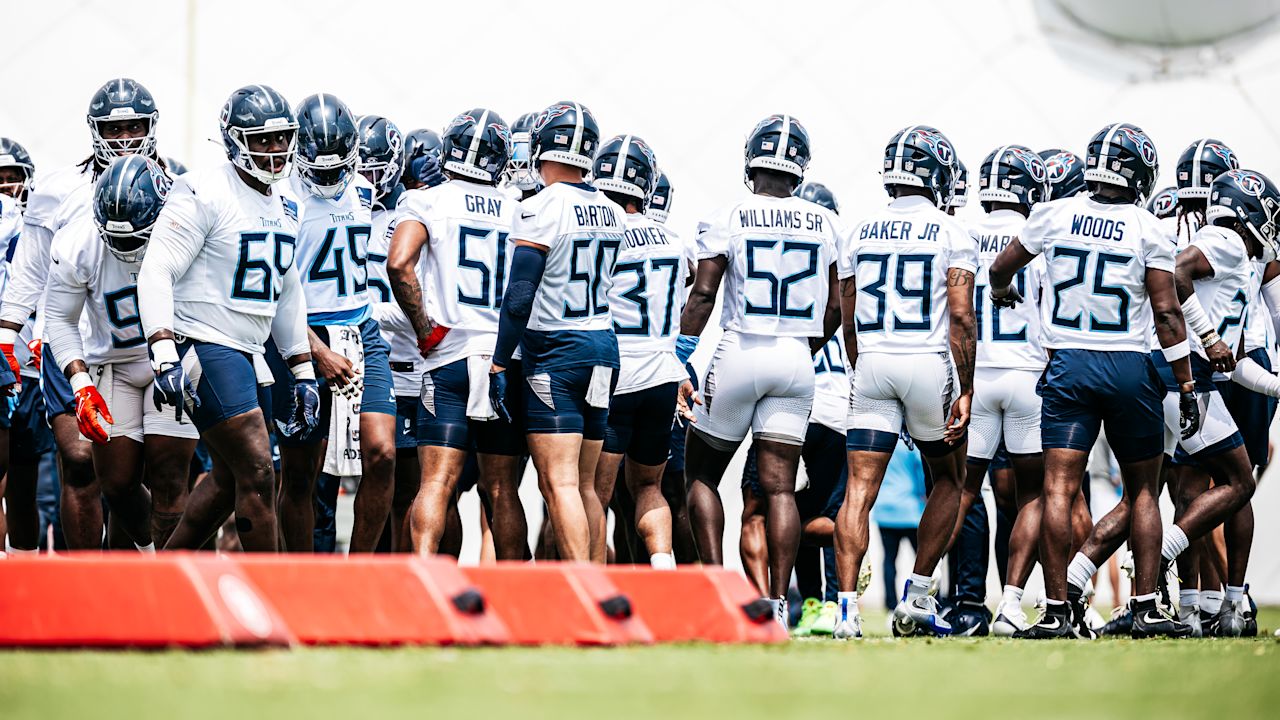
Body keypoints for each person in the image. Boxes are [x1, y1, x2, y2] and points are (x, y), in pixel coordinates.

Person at [989, 122, 1197, 639]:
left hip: (1069, 367)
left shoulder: (1054, 214)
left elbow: (1001, 267)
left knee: (1057, 488)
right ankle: (1146, 604)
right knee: (1144, 491)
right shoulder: (1148, 227)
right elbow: (1168, 312)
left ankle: (1058, 609)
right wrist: (1187, 384)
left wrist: (1000, 291)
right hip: (1128, 366)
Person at [137, 84, 318, 552]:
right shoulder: (204, 189)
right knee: (259, 468)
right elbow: (157, 267)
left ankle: (163, 581)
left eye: (281, 138)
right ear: (236, 140)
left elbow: (286, 288)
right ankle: (270, 603)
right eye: (262, 139)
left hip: (247, 350)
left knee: (225, 481)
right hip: (201, 340)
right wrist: (162, 353)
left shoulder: (287, 203)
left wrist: (302, 370)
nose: (275, 149)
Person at [678, 114, 841, 628]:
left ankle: (719, 593)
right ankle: (776, 604)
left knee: (701, 472)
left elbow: (704, 292)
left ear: (751, 162)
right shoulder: (827, 222)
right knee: (780, 489)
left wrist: (679, 352)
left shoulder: (727, 213)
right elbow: (837, 307)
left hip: (741, 348)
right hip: (795, 356)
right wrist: (803, 348)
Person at [1, 78, 162, 549]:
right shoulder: (58, 189)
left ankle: (131, 562)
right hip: (69, 337)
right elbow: (30, 269)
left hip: (137, 342)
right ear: (94, 131)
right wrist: (7, 333)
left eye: (135, 126)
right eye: (115, 129)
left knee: (129, 474)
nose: (126, 138)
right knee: (77, 460)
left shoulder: (171, 188)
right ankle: (83, 581)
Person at [833, 125, 976, 639]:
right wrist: (966, 386)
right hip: (928, 363)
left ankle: (846, 612)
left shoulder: (857, 229)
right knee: (951, 482)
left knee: (858, 492)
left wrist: (859, 365)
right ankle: (918, 597)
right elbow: (961, 318)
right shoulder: (952, 231)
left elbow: (846, 316)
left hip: (872, 361)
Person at [486, 101, 624, 563]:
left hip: (557, 349)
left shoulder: (540, 207)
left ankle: (582, 593)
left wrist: (501, 360)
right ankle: (600, 594)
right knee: (586, 485)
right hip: (604, 346)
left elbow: (521, 293)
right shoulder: (612, 210)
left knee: (559, 482)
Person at [387, 108, 528, 560]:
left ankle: (426, 578)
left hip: (448, 356)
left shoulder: (427, 201)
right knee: (502, 487)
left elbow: (398, 263)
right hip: (502, 358)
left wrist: (425, 328)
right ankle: (511, 599)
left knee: (435, 483)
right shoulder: (520, 210)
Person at [43, 155, 198, 550]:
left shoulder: (187, 227)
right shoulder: (78, 242)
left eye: (136, 236)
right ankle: (152, 558)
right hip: (115, 363)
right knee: (115, 483)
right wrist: (80, 385)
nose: (127, 248)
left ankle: (171, 575)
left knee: (168, 476)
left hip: (176, 356)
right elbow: (59, 320)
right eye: (118, 238)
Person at [267, 93, 396, 553]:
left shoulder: (362, 188)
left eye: (336, 167)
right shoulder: (282, 198)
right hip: (302, 336)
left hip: (361, 329)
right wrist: (315, 351)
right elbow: (274, 292)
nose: (328, 177)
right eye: (318, 169)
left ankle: (359, 573)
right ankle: (304, 579)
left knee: (381, 454)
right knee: (302, 472)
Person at [1163, 169, 1280, 636]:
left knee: (1195, 487)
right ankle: (1177, 570)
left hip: (1200, 375)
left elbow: (1242, 358)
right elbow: (1178, 275)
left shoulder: (1243, 263)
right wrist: (1209, 337)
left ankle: (1197, 608)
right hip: (1189, 376)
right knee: (1237, 482)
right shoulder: (1228, 243)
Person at [964, 145, 1051, 636]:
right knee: (1034, 495)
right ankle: (1012, 603)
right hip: (1027, 375)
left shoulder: (960, 234)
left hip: (976, 375)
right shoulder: (1039, 236)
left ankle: (922, 590)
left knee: (957, 490)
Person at [590, 134, 688, 568]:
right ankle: (663, 570)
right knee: (650, 487)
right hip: (663, 374)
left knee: (594, 492)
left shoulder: (597, 230)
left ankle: (592, 587)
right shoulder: (674, 240)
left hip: (614, 374)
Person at [367, 125, 445, 551]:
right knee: (377, 488)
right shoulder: (363, 213)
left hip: (414, 367)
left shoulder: (418, 215)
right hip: (372, 368)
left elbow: (423, 301)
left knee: (418, 492)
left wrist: (361, 315)